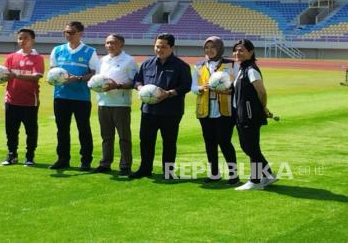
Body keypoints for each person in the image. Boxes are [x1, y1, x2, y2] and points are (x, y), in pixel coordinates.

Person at [129, 33, 192, 179]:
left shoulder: (181, 66)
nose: (159, 49)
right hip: (149, 110)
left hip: (171, 111)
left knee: (169, 142)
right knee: (145, 140)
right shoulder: (146, 64)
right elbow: (137, 80)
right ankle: (145, 169)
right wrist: (140, 89)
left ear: (172, 47)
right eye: (157, 46)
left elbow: (186, 86)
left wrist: (169, 93)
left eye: (163, 46)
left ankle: (168, 172)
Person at [48, 21, 98, 171]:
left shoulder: (89, 51)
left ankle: (86, 161)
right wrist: (52, 79)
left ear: (80, 33)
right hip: (60, 96)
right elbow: (52, 71)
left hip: (81, 98)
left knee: (83, 129)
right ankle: (63, 159)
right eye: (66, 32)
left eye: (71, 32)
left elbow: (95, 74)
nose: (67, 35)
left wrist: (78, 78)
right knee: (62, 129)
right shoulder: (57, 50)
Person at [192, 36, 240, 185]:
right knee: (209, 142)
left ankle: (233, 175)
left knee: (224, 141)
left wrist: (227, 90)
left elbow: (238, 86)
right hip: (205, 109)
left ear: (220, 48)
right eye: (207, 47)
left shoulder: (232, 65)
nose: (209, 50)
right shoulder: (199, 66)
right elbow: (192, 87)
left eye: (213, 47)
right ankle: (214, 174)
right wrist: (200, 88)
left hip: (225, 110)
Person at [231, 39, 278, 190]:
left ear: (251, 52)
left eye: (242, 50)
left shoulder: (251, 69)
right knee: (249, 147)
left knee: (250, 147)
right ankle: (269, 175)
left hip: (249, 115)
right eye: (236, 50)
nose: (238, 53)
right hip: (242, 114)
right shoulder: (242, 69)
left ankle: (255, 181)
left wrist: (262, 108)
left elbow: (262, 91)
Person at [92, 34, 139, 176]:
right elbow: (97, 79)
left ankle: (125, 166)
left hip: (121, 104)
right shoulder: (102, 61)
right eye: (107, 43)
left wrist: (116, 86)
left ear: (121, 45)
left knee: (124, 137)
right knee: (106, 136)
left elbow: (133, 82)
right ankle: (105, 163)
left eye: (113, 43)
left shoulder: (129, 61)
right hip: (103, 102)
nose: (110, 45)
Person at [0, 28, 45, 166]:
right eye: (20, 38)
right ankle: (12, 155)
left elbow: (36, 77)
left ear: (33, 40)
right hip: (11, 99)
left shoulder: (38, 58)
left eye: (25, 38)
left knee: (31, 130)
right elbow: (3, 74)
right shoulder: (11, 57)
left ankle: (30, 156)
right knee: (11, 130)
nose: (22, 40)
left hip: (30, 101)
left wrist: (16, 75)